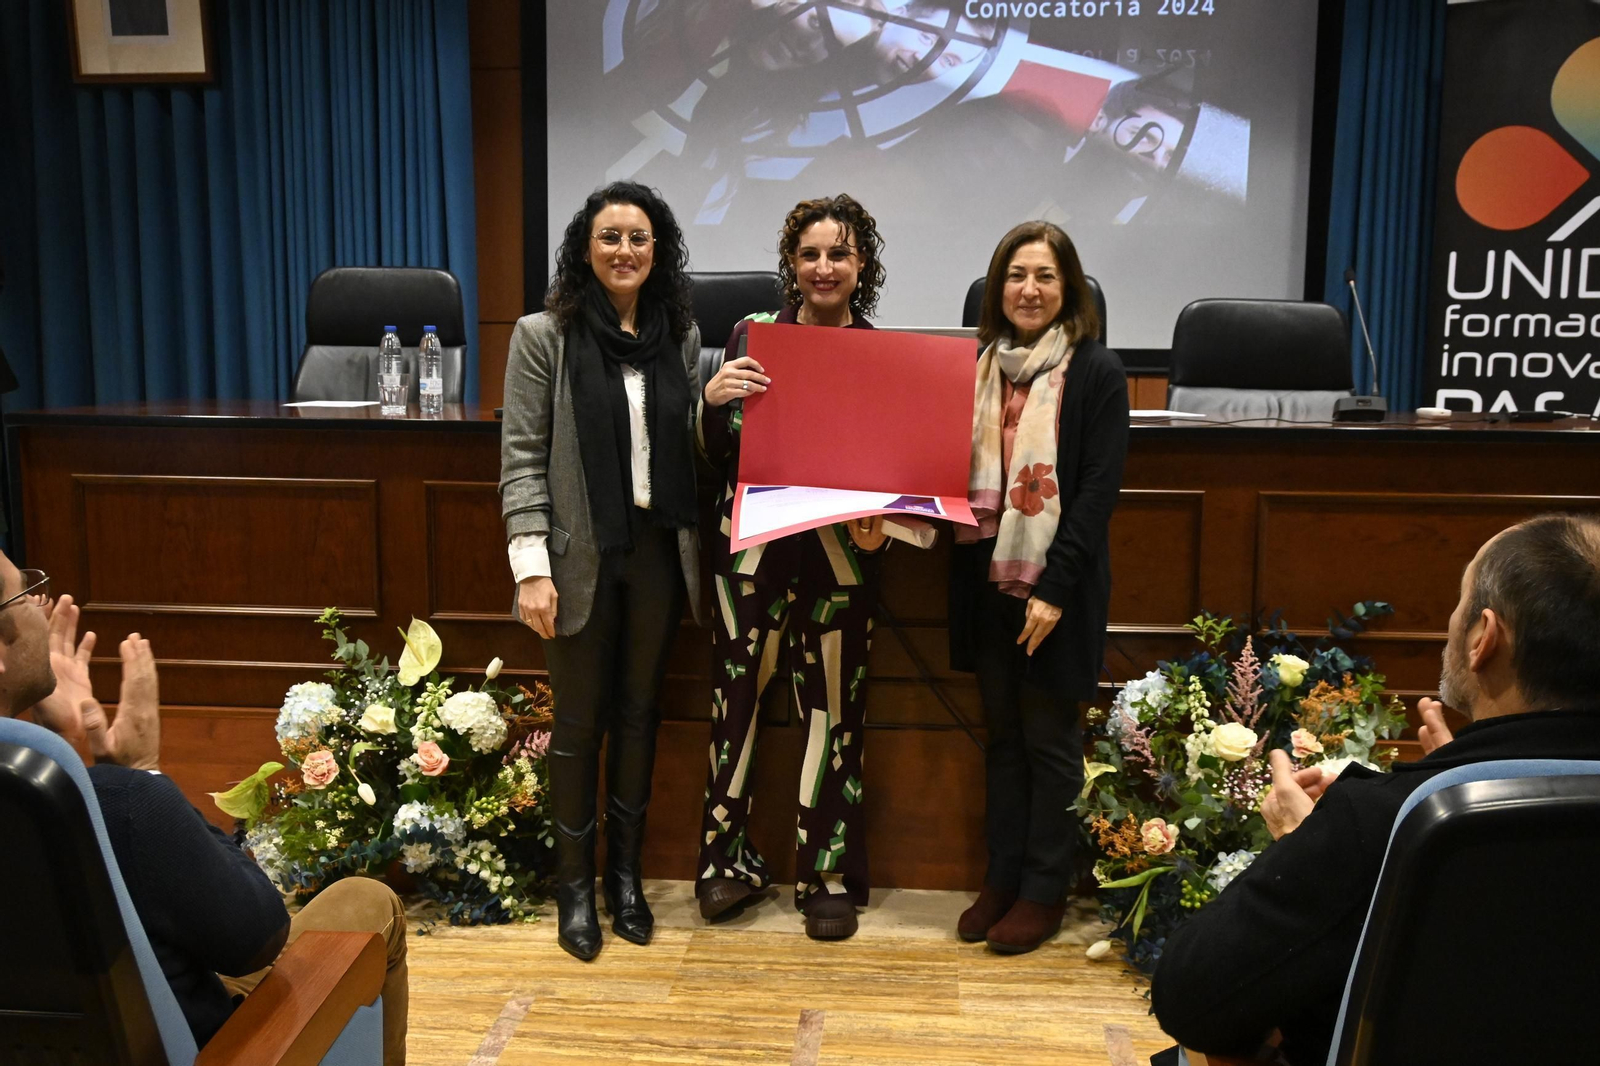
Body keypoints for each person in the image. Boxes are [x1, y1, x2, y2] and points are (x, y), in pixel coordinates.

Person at [1150, 514, 1600, 1065]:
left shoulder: (1381, 823)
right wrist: (1466, 780)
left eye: (1458, 603)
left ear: (1483, 638)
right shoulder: (1429, 812)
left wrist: (1306, 842)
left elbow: (1190, 999)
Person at [9, 578, 410, 1063]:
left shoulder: (47, 798)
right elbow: (257, 935)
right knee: (367, 901)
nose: (38, 600)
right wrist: (139, 772)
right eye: (20, 593)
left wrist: (67, 750)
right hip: (199, 1048)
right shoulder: (120, 803)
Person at [499, 180, 703, 960]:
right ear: (585, 247)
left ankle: (626, 881)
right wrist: (530, 566)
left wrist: (710, 404)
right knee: (579, 729)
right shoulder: (542, 335)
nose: (625, 251)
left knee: (640, 718)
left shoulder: (677, 336)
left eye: (639, 239)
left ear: (660, 253)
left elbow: (683, 441)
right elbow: (520, 461)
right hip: (574, 561)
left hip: (657, 554)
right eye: (610, 236)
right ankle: (574, 891)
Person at [695, 193, 890, 940]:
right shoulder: (753, 336)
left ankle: (827, 875)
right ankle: (724, 866)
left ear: (860, 265)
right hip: (749, 559)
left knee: (834, 722)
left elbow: (902, 467)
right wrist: (712, 402)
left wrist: (891, 524)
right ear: (791, 265)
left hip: (843, 562)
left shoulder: (882, 354)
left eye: (838, 253)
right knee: (733, 714)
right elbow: (714, 453)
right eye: (809, 254)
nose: (823, 267)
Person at [949, 221, 1128, 954]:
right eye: (1017, 275)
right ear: (997, 288)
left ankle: (1045, 889)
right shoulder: (975, 367)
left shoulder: (1096, 372)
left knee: (1051, 742)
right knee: (1002, 742)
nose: (1029, 289)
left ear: (1070, 288)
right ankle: (1002, 877)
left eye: (1045, 276)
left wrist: (1052, 589)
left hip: (1062, 589)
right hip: (984, 583)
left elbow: (1094, 494)